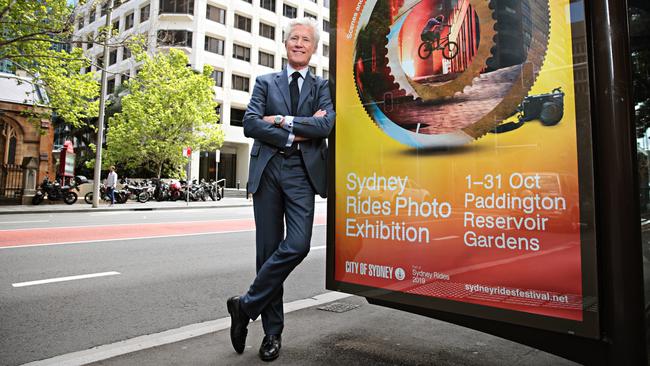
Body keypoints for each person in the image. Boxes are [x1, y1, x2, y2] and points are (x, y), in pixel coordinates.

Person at [226, 17, 335, 362]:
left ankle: (245, 306)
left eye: (306, 39)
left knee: (298, 244)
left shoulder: (322, 86)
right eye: (294, 39)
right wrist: (297, 132)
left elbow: (327, 124)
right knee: (268, 251)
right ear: (286, 45)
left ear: (314, 48)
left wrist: (282, 120)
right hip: (269, 169)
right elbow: (250, 124)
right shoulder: (264, 82)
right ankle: (272, 333)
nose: (299, 43)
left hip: (303, 172)